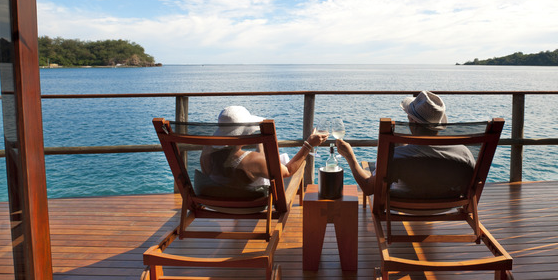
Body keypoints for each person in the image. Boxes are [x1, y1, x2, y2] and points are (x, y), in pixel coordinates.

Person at [335, 91, 475, 197]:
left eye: (408, 117)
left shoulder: (396, 157)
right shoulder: (464, 153)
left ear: (412, 122)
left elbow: (369, 188)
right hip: (447, 206)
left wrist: (349, 156)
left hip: (404, 204)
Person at [196, 105, 327, 197]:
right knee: (294, 167)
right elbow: (288, 172)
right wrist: (309, 144)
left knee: (271, 164)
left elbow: (261, 161)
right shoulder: (252, 161)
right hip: (253, 203)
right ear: (246, 133)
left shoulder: (208, 154)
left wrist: (259, 141)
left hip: (220, 201)